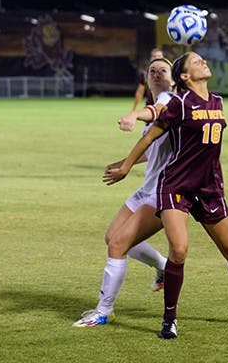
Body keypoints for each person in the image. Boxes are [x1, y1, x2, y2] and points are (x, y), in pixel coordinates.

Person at [103, 51, 228, 340]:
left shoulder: (217, 101)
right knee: (178, 250)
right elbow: (151, 132)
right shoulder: (179, 102)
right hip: (176, 186)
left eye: (202, 59)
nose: (203, 62)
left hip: (208, 188)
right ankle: (170, 319)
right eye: (196, 61)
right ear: (185, 76)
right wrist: (126, 165)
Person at [72, 57, 176, 328]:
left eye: (162, 70)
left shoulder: (169, 99)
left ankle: (104, 311)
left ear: (173, 78)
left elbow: (157, 110)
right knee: (112, 238)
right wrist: (125, 162)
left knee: (118, 245)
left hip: (163, 192)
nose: (156, 74)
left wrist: (132, 114)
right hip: (147, 188)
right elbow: (154, 147)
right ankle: (163, 266)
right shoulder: (157, 102)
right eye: (151, 70)